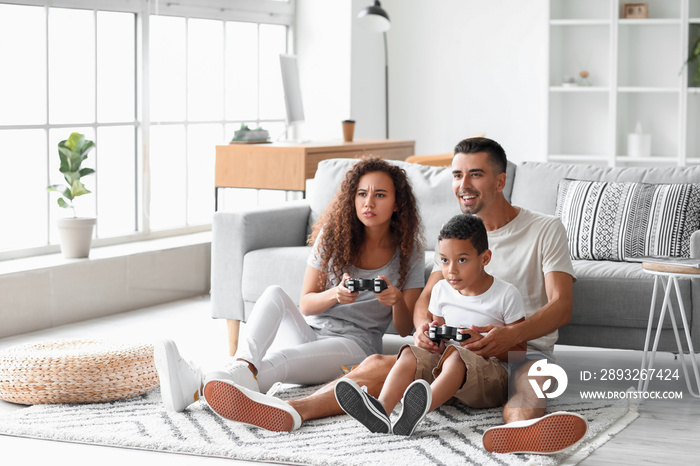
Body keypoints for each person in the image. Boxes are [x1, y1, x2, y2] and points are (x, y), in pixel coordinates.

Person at [203, 137, 588, 455]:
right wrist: (423, 328)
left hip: (519, 351)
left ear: (500, 181)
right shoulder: (455, 236)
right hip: (451, 351)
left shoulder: (545, 229)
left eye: (475, 174)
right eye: (457, 175)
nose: (463, 185)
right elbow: (428, 296)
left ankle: (523, 433)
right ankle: (290, 410)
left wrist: (508, 336)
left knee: (529, 382)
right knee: (376, 362)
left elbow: (562, 306)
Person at [154, 156, 425, 432]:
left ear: (397, 203)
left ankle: (198, 384)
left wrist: (395, 301)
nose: (369, 203)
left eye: (380, 195)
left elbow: (404, 328)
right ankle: (238, 366)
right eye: (362, 194)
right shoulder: (334, 236)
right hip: (311, 329)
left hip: (355, 345)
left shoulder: (408, 252)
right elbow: (306, 304)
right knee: (273, 293)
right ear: (352, 198)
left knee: (281, 361)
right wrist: (335, 295)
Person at [334, 214, 526, 437]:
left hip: (490, 380)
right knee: (409, 353)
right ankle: (380, 410)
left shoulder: (506, 294)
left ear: (485, 258)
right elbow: (439, 345)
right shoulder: (441, 290)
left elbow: (520, 354)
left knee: (456, 356)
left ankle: (417, 411)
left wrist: (484, 344)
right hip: (447, 376)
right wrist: (429, 338)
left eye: (462, 260)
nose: (451, 270)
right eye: (444, 260)